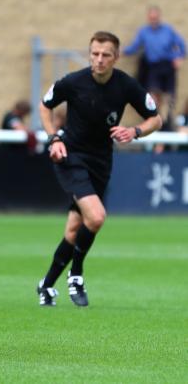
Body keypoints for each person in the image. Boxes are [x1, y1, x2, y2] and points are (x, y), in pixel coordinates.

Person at [37, 31, 162, 307]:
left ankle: (46, 286)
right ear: (89, 53)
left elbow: (156, 118)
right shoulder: (73, 81)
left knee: (74, 229)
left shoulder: (126, 85)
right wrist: (54, 138)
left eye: (106, 55)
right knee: (96, 218)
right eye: (95, 54)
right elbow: (45, 107)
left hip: (102, 161)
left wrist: (135, 131)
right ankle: (76, 275)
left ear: (116, 57)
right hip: (71, 156)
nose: (99, 60)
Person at [123, 6, 185, 120]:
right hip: (153, 68)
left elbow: (181, 45)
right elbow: (134, 47)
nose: (153, 19)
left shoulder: (168, 30)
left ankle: (166, 121)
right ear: (148, 18)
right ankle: (154, 118)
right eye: (151, 17)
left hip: (168, 66)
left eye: (155, 17)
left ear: (159, 17)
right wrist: (120, 51)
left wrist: (179, 57)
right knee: (152, 94)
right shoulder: (144, 31)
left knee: (168, 97)